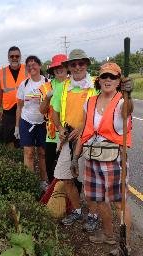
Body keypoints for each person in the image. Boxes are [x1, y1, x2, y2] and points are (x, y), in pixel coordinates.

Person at [71, 62, 133, 255]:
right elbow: (85, 131)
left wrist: (128, 94)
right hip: (92, 157)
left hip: (114, 159)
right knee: (99, 200)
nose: (108, 80)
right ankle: (108, 236)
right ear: (99, 79)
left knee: (118, 202)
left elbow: (127, 111)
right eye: (104, 76)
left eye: (113, 77)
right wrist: (75, 157)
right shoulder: (89, 102)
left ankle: (125, 245)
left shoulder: (122, 101)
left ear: (118, 81)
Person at [50, 49, 99, 231]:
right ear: (68, 67)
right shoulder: (62, 87)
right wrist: (61, 129)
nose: (77, 67)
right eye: (73, 64)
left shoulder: (96, 85)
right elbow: (54, 111)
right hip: (67, 139)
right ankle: (78, 210)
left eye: (81, 63)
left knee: (89, 181)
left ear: (86, 65)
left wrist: (82, 129)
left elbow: (104, 109)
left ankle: (93, 215)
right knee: (65, 177)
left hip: (91, 140)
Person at [15, 55, 48, 191]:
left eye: (34, 64)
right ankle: (29, 183)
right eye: (28, 65)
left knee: (42, 153)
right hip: (27, 121)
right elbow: (19, 106)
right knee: (28, 153)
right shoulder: (24, 84)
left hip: (43, 123)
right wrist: (17, 126)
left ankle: (43, 181)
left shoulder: (47, 82)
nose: (31, 66)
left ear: (40, 66)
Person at [39, 54, 68, 183]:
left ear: (67, 68)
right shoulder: (46, 87)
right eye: (56, 67)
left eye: (62, 66)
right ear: (52, 70)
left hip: (70, 131)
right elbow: (42, 110)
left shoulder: (75, 84)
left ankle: (70, 197)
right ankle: (53, 194)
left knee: (69, 166)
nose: (59, 69)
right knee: (50, 164)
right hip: (51, 133)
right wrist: (48, 98)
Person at [0, 46, 28, 148]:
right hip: (8, 111)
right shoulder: (2, 72)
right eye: (11, 56)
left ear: (20, 57)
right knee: (9, 139)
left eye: (17, 56)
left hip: (24, 110)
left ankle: (24, 161)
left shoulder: (28, 70)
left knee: (25, 140)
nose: (14, 58)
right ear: (8, 58)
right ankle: (11, 161)